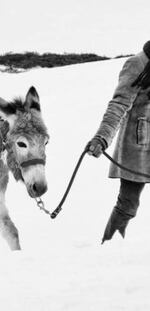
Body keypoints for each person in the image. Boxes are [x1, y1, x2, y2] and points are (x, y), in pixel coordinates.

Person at [87, 40, 150, 243]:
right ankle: (109, 249)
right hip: (138, 144)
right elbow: (119, 104)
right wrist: (102, 137)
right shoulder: (137, 64)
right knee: (128, 205)